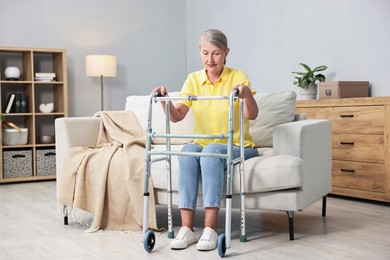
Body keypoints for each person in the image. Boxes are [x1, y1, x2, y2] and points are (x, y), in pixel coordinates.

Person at [152, 29, 259, 251]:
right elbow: (177, 115)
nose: (210, 60)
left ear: (226, 52)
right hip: (203, 144)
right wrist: (164, 100)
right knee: (189, 151)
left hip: (239, 145)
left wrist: (246, 93)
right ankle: (188, 229)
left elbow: (251, 115)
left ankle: (210, 230)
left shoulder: (238, 76)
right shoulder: (193, 79)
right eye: (205, 53)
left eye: (216, 53)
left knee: (210, 151)